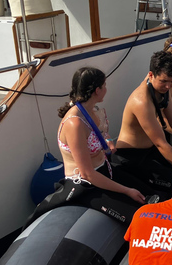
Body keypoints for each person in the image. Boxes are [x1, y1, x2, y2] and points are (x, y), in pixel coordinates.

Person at [30, 67, 147, 225]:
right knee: (139, 216)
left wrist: (107, 140)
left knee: (149, 195)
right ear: (97, 90)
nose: (106, 89)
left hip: (104, 171)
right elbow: (87, 174)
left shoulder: (91, 110)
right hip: (87, 185)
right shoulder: (74, 124)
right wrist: (126, 190)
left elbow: (100, 134)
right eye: (105, 86)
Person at [113, 51, 172, 198]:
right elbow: (160, 143)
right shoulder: (141, 101)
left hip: (150, 151)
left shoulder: (162, 89)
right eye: (164, 81)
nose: (168, 86)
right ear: (151, 75)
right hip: (131, 158)